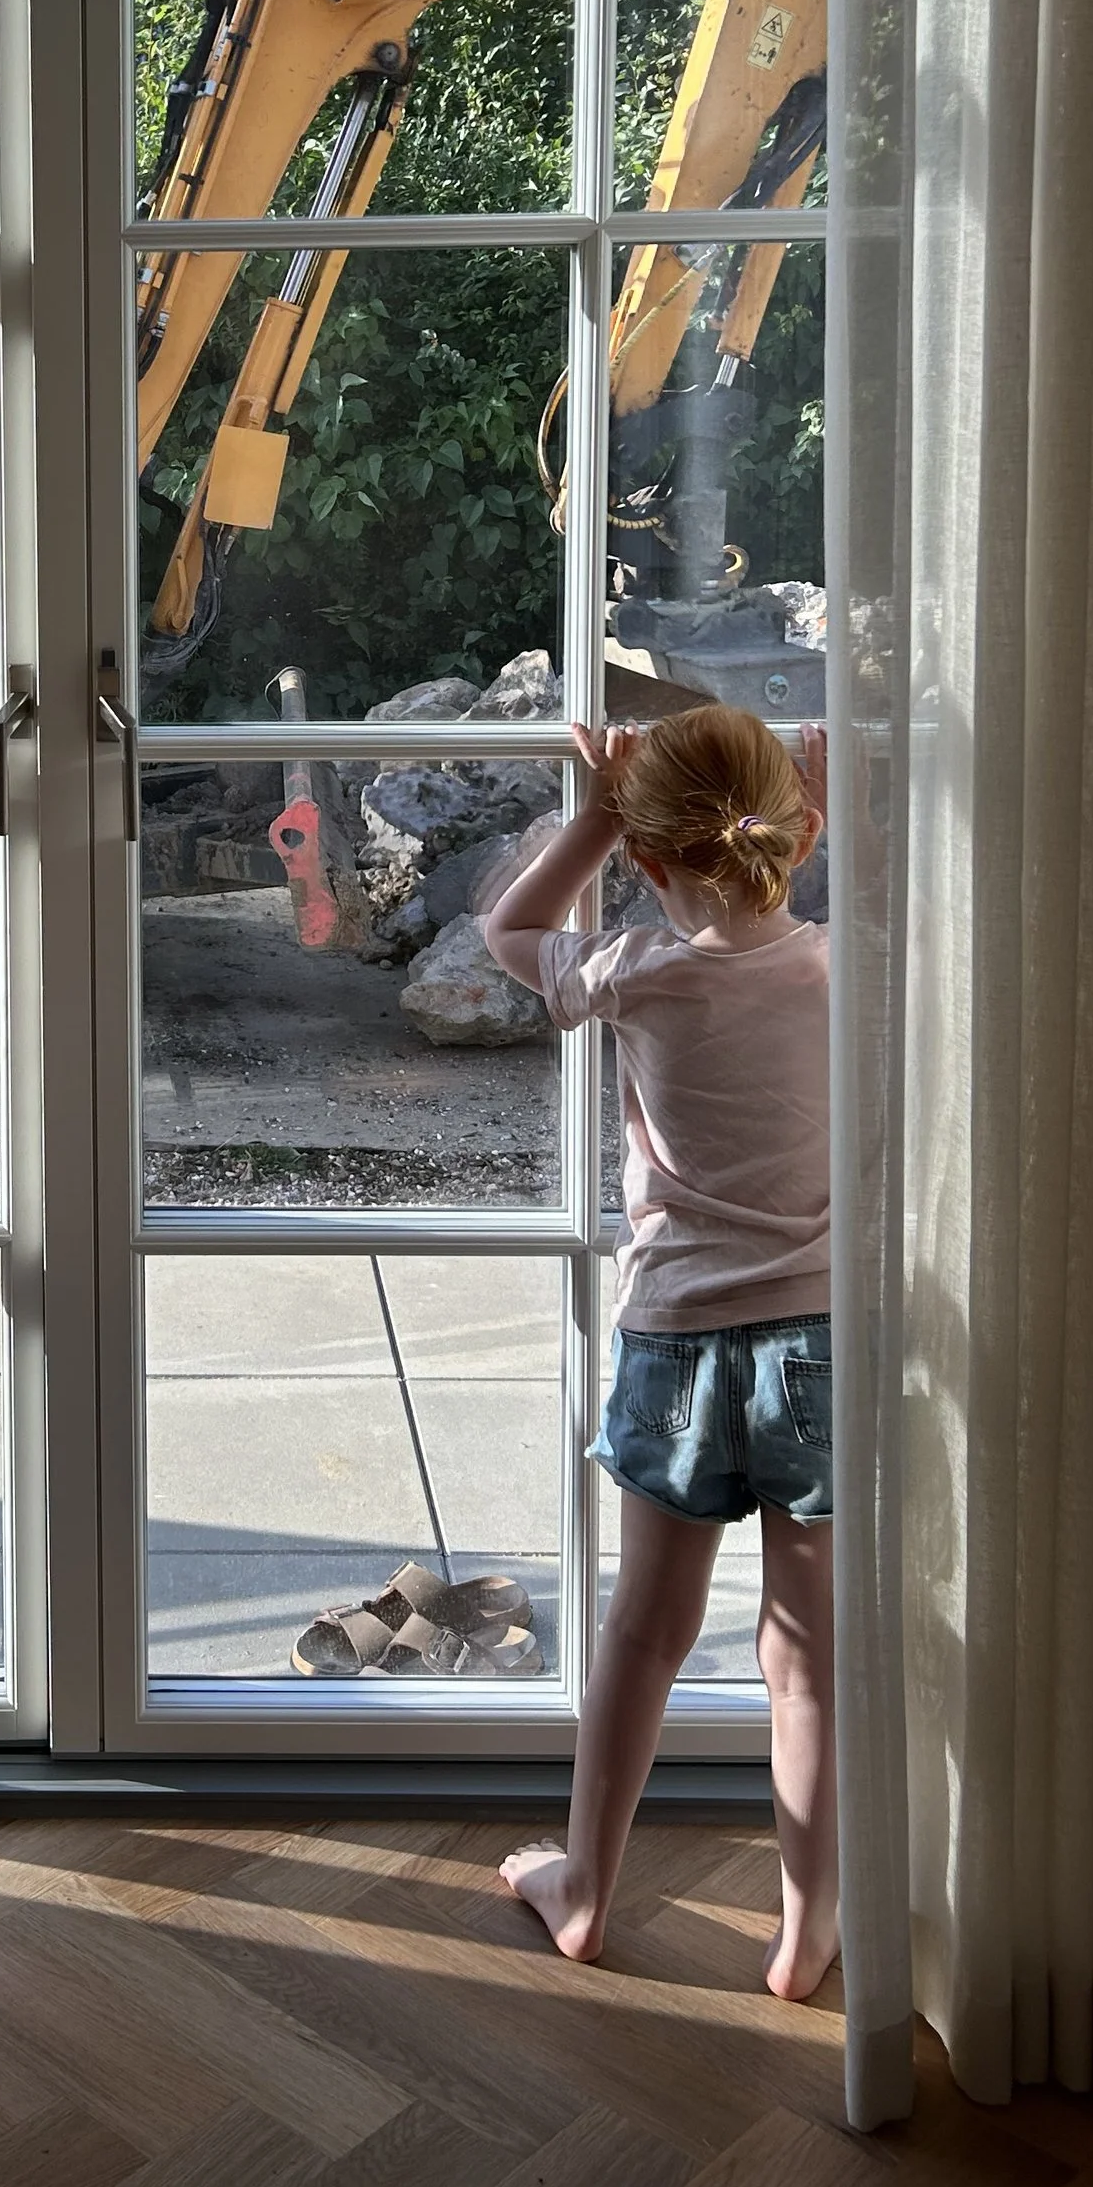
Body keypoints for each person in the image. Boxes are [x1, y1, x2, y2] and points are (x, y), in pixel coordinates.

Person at [479, 703, 837, 2001]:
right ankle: (805, 1933)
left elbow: (506, 934)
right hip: (816, 1344)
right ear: (798, 833)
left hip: (678, 1344)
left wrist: (590, 812)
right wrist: (813, 805)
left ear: (643, 856)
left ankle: (585, 1889)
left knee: (644, 1631)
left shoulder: (637, 971)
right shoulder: (850, 971)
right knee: (802, 1650)